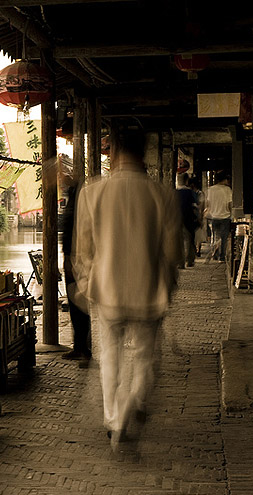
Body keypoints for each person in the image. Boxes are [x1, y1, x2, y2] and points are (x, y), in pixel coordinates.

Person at [72, 126, 181, 449]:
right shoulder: (161, 193)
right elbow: (173, 252)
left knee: (110, 357)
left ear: (115, 150)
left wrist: (87, 283)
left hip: (108, 290)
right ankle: (132, 403)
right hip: (148, 288)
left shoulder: (93, 191)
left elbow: (83, 249)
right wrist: (168, 281)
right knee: (145, 358)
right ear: (144, 151)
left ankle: (114, 418)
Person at [59, 166, 92, 367]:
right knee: (76, 304)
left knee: (79, 304)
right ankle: (80, 346)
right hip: (74, 258)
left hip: (76, 260)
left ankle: (83, 349)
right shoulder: (76, 200)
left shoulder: (79, 202)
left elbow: (74, 234)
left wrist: (70, 259)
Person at [204, 171, 233, 261]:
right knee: (223, 238)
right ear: (224, 179)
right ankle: (222, 256)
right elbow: (230, 204)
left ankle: (214, 254)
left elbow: (207, 204)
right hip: (225, 216)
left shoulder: (210, 190)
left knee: (215, 236)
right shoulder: (227, 190)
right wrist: (231, 214)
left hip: (213, 216)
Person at [176, 172, 200, 268]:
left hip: (176, 219)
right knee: (189, 240)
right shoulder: (190, 192)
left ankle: (180, 262)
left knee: (178, 241)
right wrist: (199, 218)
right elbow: (195, 206)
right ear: (186, 181)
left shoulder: (174, 191)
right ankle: (189, 260)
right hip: (188, 219)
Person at [188, 176, 206, 257]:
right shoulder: (197, 193)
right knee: (196, 234)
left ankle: (197, 249)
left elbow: (201, 206)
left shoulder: (198, 193)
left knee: (196, 234)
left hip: (195, 215)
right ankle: (196, 249)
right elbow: (201, 205)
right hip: (194, 215)